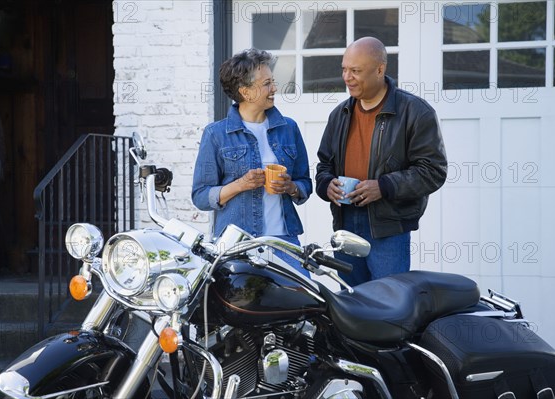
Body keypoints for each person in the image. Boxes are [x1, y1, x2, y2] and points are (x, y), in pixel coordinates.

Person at [315, 37, 447, 286]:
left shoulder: (416, 112)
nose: (347, 77)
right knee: (351, 303)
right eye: (344, 69)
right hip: (345, 222)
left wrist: (384, 187)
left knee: (388, 305)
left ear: (380, 70)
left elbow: (433, 171)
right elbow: (324, 165)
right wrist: (326, 185)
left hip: (388, 228)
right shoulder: (339, 114)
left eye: (355, 71)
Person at [192, 48, 312, 278]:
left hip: (284, 242)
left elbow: (305, 183)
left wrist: (291, 187)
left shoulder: (289, 128)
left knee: (303, 301)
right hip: (236, 245)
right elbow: (200, 195)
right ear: (245, 92)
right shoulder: (216, 134)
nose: (274, 89)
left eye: (273, 82)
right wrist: (240, 185)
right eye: (267, 83)